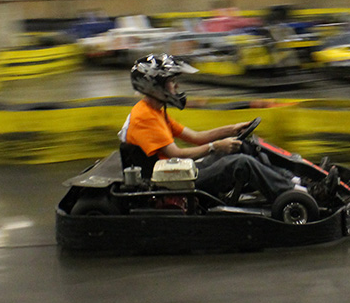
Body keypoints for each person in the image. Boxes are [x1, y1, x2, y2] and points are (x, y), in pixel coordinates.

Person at [120, 53, 315, 203]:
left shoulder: (155, 111)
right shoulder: (144, 117)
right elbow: (176, 154)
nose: (176, 86)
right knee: (241, 163)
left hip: (179, 172)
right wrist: (216, 147)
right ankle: (297, 194)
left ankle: (296, 182)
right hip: (171, 182)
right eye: (171, 81)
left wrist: (232, 129)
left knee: (244, 147)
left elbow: (196, 137)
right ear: (154, 85)